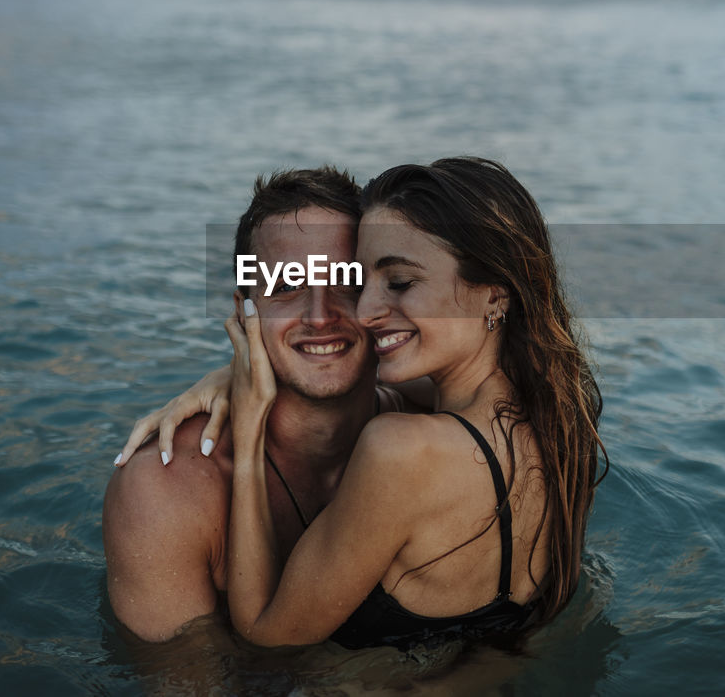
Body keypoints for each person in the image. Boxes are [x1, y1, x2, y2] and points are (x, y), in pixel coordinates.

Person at [222, 157, 606, 651]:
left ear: (494, 294)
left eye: (399, 282)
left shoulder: (401, 450)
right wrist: (239, 374)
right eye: (360, 283)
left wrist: (248, 429)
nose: (365, 311)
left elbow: (264, 634)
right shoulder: (558, 412)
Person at [102, 166, 413, 642]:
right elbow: (189, 684)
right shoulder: (162, 492)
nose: (319, 315)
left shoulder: (432, 428)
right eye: (286, 286)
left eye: (345, 281)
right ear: (244, 310)